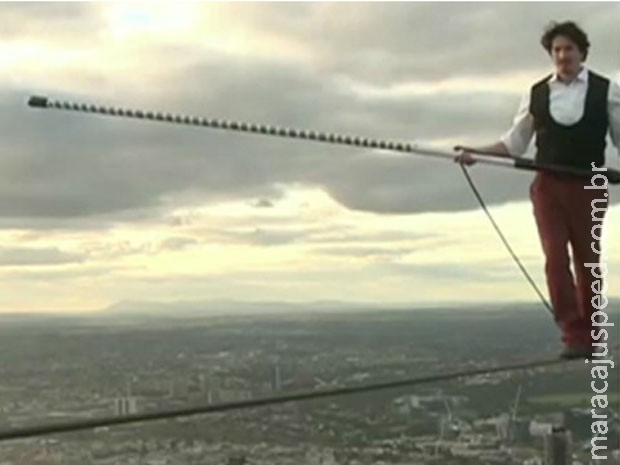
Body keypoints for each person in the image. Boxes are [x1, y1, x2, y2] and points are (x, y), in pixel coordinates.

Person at [454, 21, 620, 359]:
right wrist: (476, 154)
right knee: (555, 260)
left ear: (581, 52)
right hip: (548, 186)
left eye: (568, 49)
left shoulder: (608, 91)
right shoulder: (537, 94)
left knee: (587, 261)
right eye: (556, 50)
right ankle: (575, 335)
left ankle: (594, 333)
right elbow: (513, 144)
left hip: (589, 185)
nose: (562, 55)